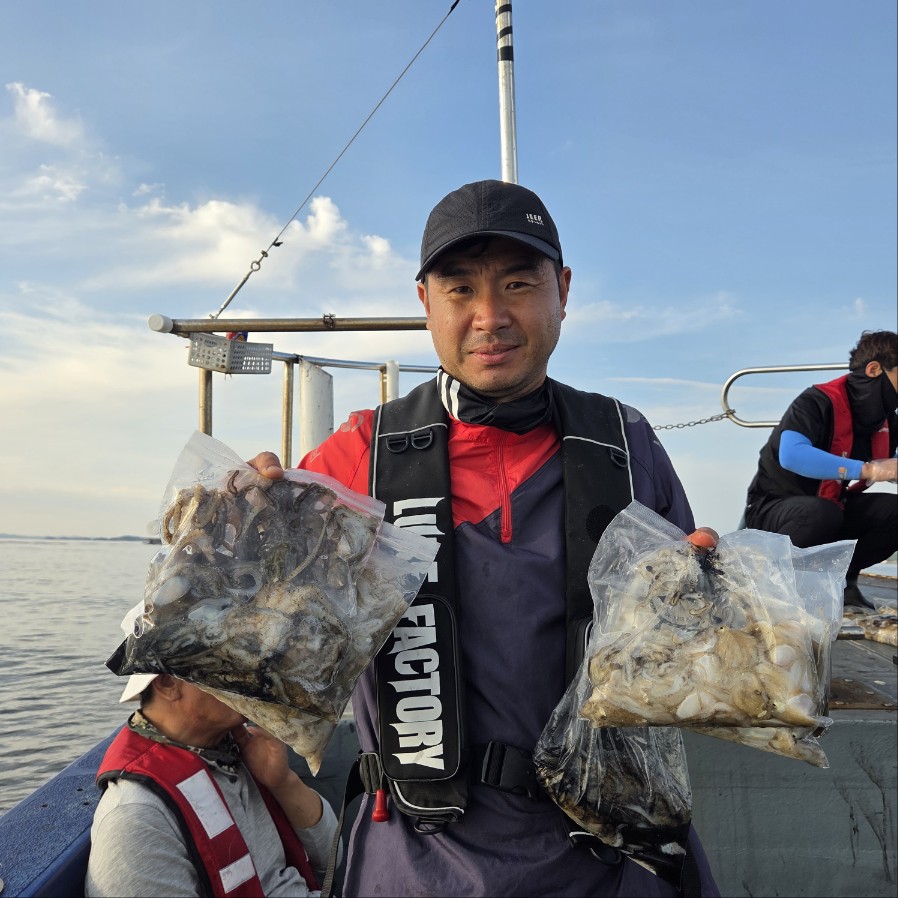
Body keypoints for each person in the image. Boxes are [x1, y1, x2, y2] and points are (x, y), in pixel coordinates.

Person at [249, 179, 720, 896]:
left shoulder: (627, 447)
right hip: (420, 857)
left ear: (563, 290)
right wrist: (245, 532)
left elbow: (687, 661)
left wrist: (714, 599)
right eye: (460, 289)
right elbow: (256, 644)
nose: (490, 316)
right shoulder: (358, 458)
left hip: (613, 850)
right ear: (426, 303)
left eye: (519, 284)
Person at [85, 662, 338, 897]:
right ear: (167, 683)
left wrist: (283, 783)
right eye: (226, 662)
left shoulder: (234, 751)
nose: (253, 673)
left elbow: (333, 860)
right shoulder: (136, 818)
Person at [744, 330, 898, 609]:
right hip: (773, 509)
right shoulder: (815, 401)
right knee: (820, 514)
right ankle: (771, 589)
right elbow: (792, 455)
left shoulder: (888, 422)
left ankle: (841, 582)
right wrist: (868, 470)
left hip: (835, 506)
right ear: (875, 369)